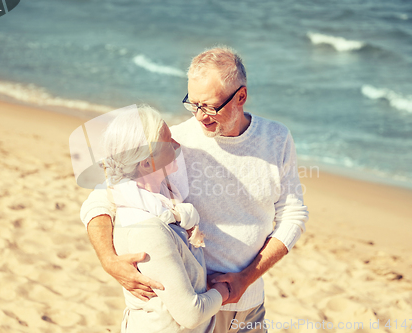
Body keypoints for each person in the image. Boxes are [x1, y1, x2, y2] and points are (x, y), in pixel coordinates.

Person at [81, 46, 309, 333]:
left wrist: (247, 278)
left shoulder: (277, 139)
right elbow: (101, 199)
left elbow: (293, 215)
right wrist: (108, 259)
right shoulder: (174, 141)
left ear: (241, 96)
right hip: (193, 310)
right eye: (193, 104)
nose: (201, 116)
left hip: (249, 306)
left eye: (210, 106)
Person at [97, 105, 229, 332]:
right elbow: (190, 314)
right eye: (169, 141)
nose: (177, 145)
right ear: (146, 162)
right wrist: (225, 292)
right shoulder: (148, 228)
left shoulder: (161, 198)